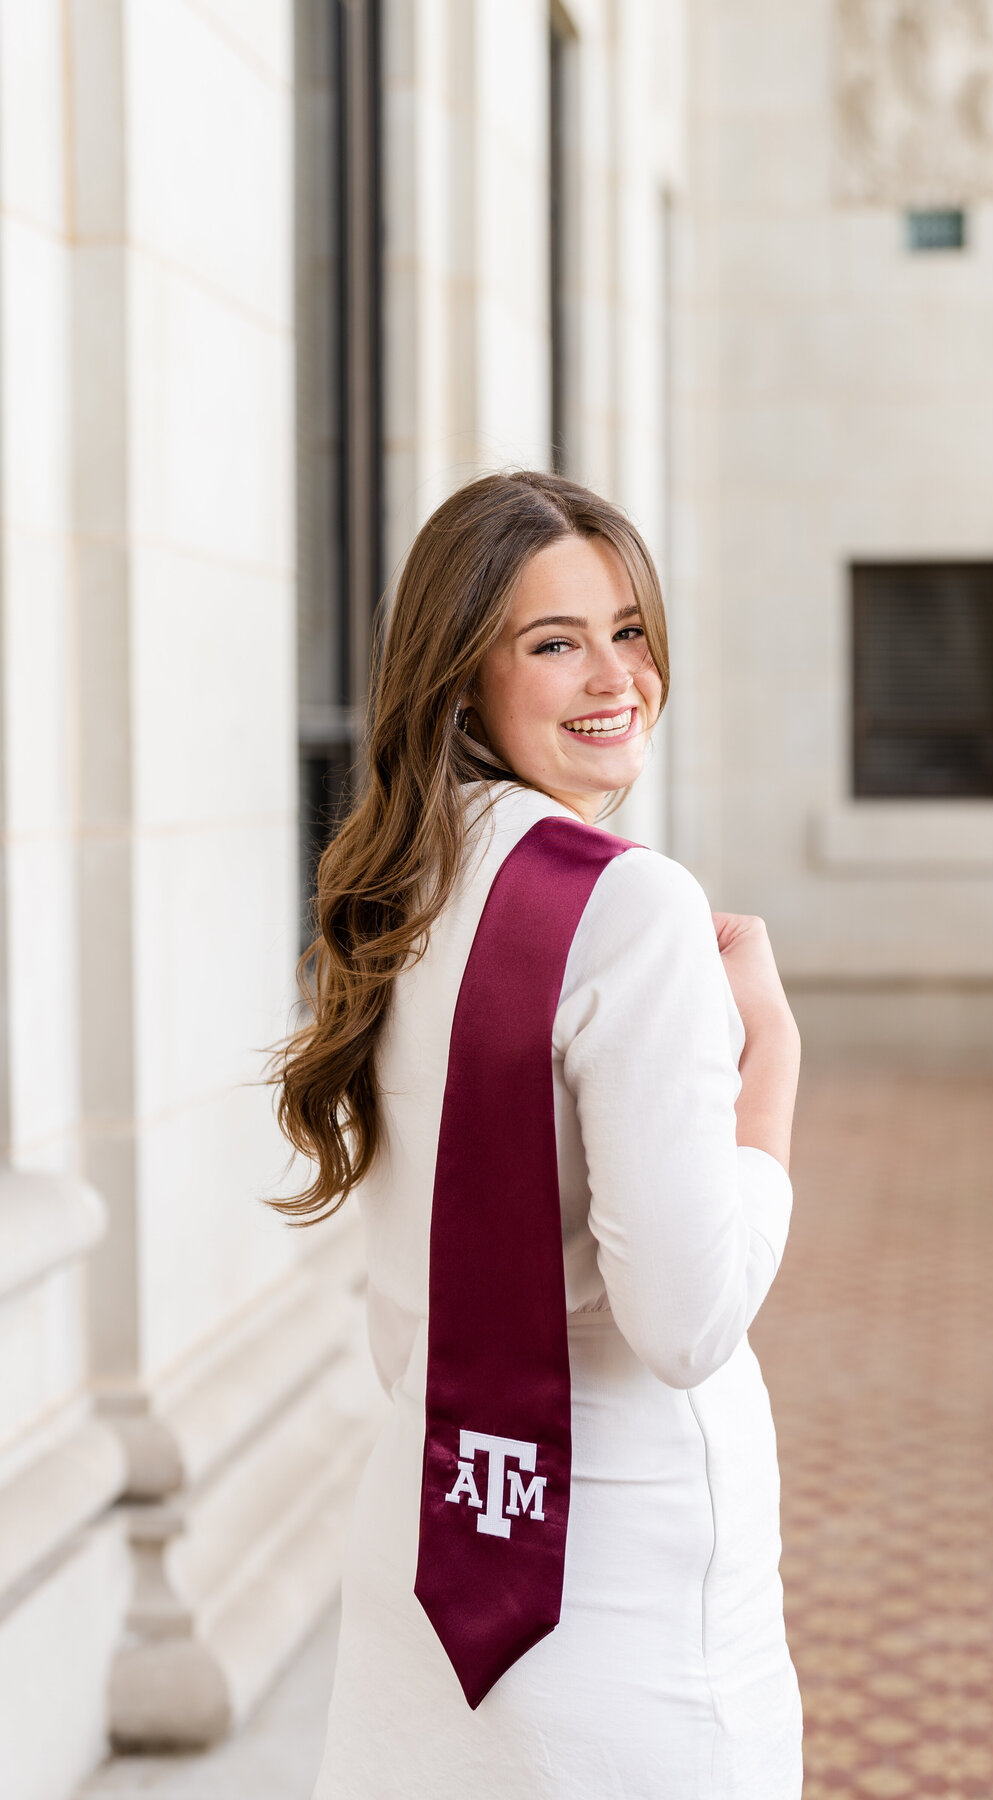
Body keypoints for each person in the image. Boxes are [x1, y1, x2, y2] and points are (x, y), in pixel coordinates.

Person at [273, 469, 804, 1798]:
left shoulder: (398, 881)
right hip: (622, 1604)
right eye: (555, 643)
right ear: (464, 682)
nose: (615, 676)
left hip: (428, 1563)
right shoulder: (631, 910)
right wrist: (773, 1065)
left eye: (629, 631)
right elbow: (686, 1323)